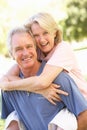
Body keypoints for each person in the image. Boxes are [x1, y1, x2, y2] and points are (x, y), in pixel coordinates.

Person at [1, 12, 87, 129]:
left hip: (80, 99)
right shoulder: (39, 52)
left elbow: (42, 82)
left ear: (55, 32)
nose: (41, 39)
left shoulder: (62, 50)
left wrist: (8, 86)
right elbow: (9, 75)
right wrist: (39, 90)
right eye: (36, 35)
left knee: (65, 120)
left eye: (45, 32)